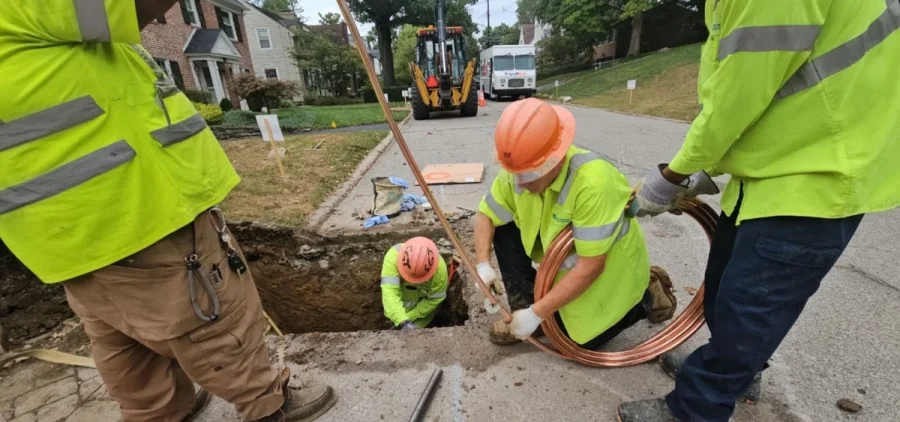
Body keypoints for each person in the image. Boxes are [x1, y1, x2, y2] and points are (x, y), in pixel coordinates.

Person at [0, 2, 336, 421]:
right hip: (139, 207)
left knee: (122, 337)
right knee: (212, 316)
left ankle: (156, 411)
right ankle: (266, 402)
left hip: (58, 232)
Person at [616, 0, 900, 421]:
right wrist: (706, 171)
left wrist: (674, 176)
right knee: (725, 283)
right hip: (777, 164)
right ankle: (736, 370)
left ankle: (697, 407)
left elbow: (735, 100)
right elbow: (761, 87)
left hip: (817, 175)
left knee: (752, 304)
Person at [474, 98, 679, 349]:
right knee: (502, 226)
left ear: (555, 159)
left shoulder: (593, 183)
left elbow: (590, 267)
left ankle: (646, 295)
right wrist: (483, 265)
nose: (519, 184)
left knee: (578, 342)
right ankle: (528, 312)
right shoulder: (520, 170)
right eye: (515, 173)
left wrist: (537, 313)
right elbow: (486, 214)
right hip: (567, 271)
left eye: (528, 175)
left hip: (608, 276)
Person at [380, 237, 449, 330]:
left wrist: (409, 318)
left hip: (422, 315)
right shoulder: (393, 258)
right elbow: (390, 292)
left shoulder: (440, 270)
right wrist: (401, 320)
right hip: (395, 311)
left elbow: (434, 299)